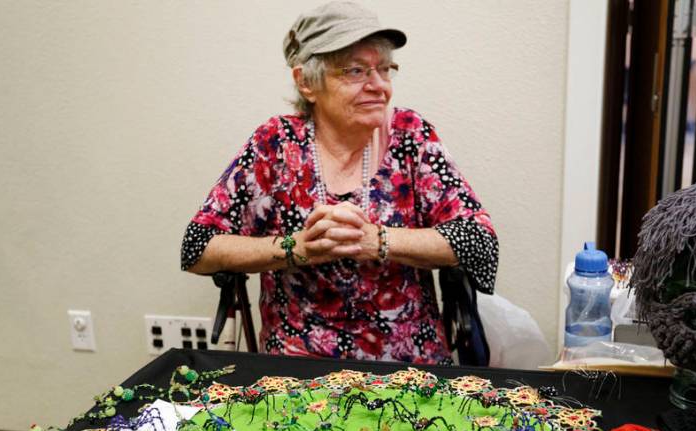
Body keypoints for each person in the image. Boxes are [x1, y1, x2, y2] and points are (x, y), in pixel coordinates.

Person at [181, 1, 498, 364]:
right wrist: (295, 249)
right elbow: (197, 248)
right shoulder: (276, 144)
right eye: (355, 71)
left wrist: (376, 241)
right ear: (306, 82)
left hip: (409, 369)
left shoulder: (410, 136)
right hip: (297, 371)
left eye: (384, 69)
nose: (379, 86)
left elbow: (479, 243)